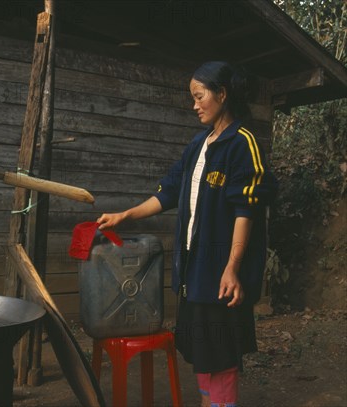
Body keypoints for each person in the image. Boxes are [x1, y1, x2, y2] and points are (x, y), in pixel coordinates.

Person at [97, 61, 278, 407]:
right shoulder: (198, 145)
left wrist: (232, 267)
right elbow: (167, 192)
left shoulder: (243, 144)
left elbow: (247, 209)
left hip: (222, 274)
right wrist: (125, 215)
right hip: (194, 273)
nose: (194, 105)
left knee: (222, 356)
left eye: (199, 96)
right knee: (201, 351)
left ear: (222, 95)